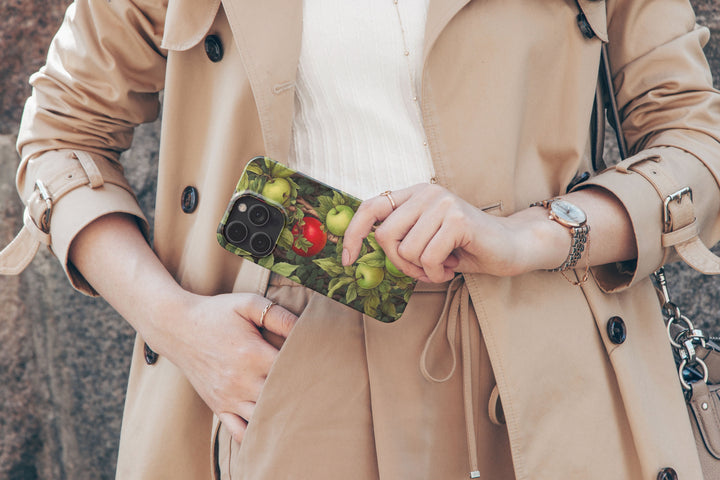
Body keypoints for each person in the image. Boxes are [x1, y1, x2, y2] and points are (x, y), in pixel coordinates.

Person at [2, 0, 719, 478]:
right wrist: (180, 327)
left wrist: (535, 234)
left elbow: (695, 130)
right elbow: (62, 133)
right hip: (279, 364)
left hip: (546, 369)